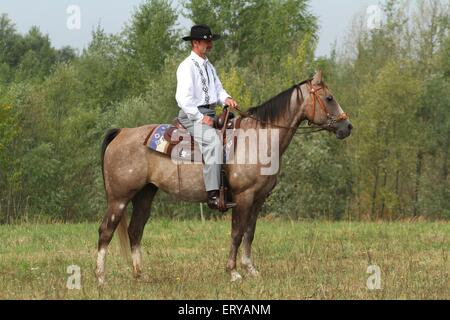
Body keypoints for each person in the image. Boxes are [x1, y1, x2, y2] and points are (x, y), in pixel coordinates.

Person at [176, 24, 238, 210]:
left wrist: (226, 98)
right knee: (213, 142)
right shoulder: (187, 67)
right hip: (192, 115)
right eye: (206, 41)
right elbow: (183, 99)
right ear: (195, 43)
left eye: (210, 41)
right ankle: (212, 194)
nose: (210, 44)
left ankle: (231, 183)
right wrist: (199, 117)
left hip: (211, 112)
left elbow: (217, 89)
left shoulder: (209, 66)